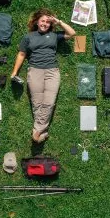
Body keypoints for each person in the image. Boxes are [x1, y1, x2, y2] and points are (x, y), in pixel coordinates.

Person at [11, 8, 76, 143]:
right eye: (42, 21)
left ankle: (38, 131)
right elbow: (22, 54)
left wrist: (58, 22)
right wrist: (15, 72)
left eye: (47, 22)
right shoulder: (28, 37)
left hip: (52, 72)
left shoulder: (54, 35)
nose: (45, 24)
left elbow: (72, 33)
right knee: (37, 103)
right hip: (35, 71)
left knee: (49, 102)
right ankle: (41, 134)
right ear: (37, 22)